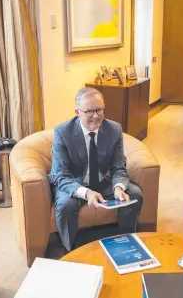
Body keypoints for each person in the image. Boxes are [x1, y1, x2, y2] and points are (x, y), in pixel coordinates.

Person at [48, 87, 143, 252]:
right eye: (89, 111)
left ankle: (125, 242)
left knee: (134, 194)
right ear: (78, 112)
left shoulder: (114, 129)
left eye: (99, 110)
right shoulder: (62, 132)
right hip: (74, 183)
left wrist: (119, 187)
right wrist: (86, 193)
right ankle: (71, 250)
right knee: (65, 206)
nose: (96, 116)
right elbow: (60, 175)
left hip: (101, 181)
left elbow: (118, 166)